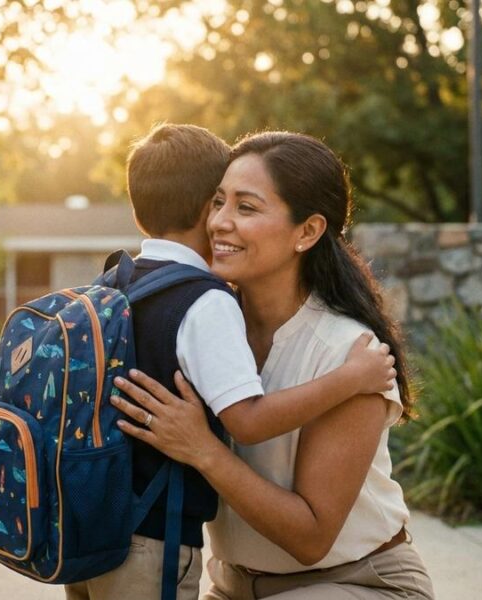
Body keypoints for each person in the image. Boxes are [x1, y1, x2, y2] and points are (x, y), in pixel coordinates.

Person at [64, 125, 398, 600]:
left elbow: (310, 538)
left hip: (350, 582)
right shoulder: (199, 318)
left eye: (246, 207)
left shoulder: (350, 354)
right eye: (217, 202)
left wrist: (202, 448)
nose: (219, 221)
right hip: (233, 586)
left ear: (307, 231)